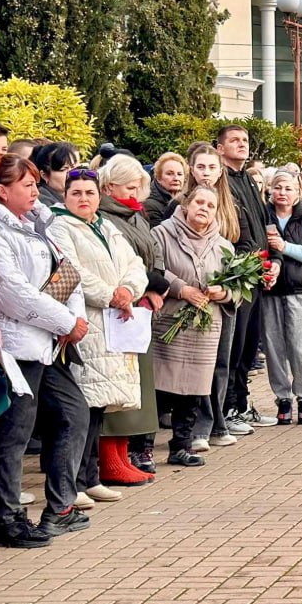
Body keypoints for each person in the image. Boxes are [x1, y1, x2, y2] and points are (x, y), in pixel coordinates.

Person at [0, 155, 90, 545]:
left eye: (36, 182)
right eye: (26, 184)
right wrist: (66, 322)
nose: (36, 190)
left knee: (72, 412)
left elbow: (67, 271)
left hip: (48, 341)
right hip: (12, 346)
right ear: (2, 191)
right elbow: (13, 293)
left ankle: (61, 507)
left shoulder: (35, 222)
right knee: (13, 432)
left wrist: (72, 319)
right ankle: (6, 521)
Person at [48, 167, 150, 508]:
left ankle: (90, 477)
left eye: (89, 193)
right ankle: (73, 480)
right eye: (76, 193)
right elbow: (73, 271)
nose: (83, 199)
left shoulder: (106, 225)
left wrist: (129, 289)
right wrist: (111, 294)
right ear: (65, 196)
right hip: (87, 320)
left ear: (99, 196)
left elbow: (135, 264)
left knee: (99, 405)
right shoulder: (60, 226)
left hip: (114, 321)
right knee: (81, 406)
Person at [152, 186, 237, 467]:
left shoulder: (224, 245)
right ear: (186, 205)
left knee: (194, 387)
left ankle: (182, 444)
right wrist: (181, 288)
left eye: (210, 205)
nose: (204, 208)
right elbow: (154, 268)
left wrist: (222, 292)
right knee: (161, 386)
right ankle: (142, 448)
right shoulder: (162, 234)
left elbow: (237, 285)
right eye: (199, 202)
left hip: (205, 325)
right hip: (170, 321)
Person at [97, 155, 170, 478]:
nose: (135, 192)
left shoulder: (135, 215)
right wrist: (153, 284)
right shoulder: (109, 217)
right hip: (122, 306)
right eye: (128, 187)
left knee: (135, 383)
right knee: (117, 384)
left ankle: (124, 454)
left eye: (138, 186)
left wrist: (156, 284)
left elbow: (151, 255)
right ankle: (111, 459)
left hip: (141, 303)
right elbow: (125, 263)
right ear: (109, 186)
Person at [216, 125, 272, 429]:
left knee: (251, 345)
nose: (242, 144)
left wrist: (272, 261)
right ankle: (228, 408)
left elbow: (264, 225)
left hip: (257, 272)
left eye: (245, 140)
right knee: (235, 347)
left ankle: (241, 402)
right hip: (237, 273)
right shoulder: (222, 181)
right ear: (220, 147)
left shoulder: (249, 180)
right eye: (234, 140)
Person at [262, 169, 302, 424]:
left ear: (298, 192)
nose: (283, 193)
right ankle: (283, 399)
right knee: (274, 348)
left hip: (300, 290)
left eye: (288, 189)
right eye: (278, 188)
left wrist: (285, 248)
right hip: (271, 291)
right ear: (270, 190)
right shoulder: (263, 216)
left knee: (300, 348)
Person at [29, 141, 80, 207]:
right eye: (64, 169)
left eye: (74, 167)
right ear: (44, 175)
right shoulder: (42, 202)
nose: (72, 173)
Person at [145, 152, 186, 227]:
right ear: (158, 177)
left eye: (179, 174)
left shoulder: (187, 198)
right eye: (169, 174)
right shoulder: (150, 205)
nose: (176, 178)